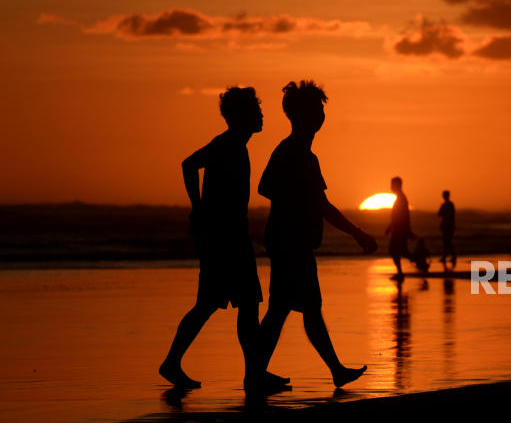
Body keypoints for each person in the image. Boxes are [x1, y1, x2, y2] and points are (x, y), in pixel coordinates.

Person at [258, 80, 378, 389]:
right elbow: (278, 191)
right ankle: (334, 370)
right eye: (318, 110)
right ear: (306, 116)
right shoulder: (296, 153)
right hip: (291, 241)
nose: (322, 115)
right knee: (304, 308)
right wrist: (358, 233)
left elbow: (310, 200)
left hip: (287, 239)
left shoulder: (296, 153)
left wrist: (355, 232)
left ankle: (256, 373)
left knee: (282, 309)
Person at [159, 86, 276, 391]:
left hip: (230, 235)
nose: (262, 115)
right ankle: (252, 375)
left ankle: (252, 373)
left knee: (233, 304)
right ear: (242, 116)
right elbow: (188, 165)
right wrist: (198, 208)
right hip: (225, 238)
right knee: (230, 303)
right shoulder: (226, 145)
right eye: (256, 111)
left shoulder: (237, 145)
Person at [385, 177, 414, 280]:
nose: (391, 187)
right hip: (399, 229)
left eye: (392, 184)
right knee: (402, 251)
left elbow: (403, 216)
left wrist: (406, 230)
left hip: (399, 230)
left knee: (394, 250)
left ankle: (401, 273)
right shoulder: (400, 198)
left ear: (398, 185)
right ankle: (420, 263)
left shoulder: (401, 199)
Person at [437, 190, 456, 268]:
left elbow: (440, 213)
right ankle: (450, 256)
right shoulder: (449, 205)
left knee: (447, 241)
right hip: (449, 225)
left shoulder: (446, 205)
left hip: (447, 225)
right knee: (447, 241)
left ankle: (448, 257)